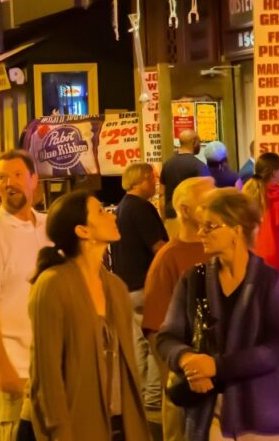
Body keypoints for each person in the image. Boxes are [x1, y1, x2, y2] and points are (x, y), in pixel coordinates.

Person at [156, 189, 279, 441]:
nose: (200, 233)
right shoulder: (192, 280)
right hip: (208, 413)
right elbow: (167, 336)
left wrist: (216, 367)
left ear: (237, 230)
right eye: (201, 226)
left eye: (210, 227)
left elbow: (273, 350)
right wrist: (187, 360)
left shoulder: (271, 282)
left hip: (259, 414)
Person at [27, 189, 150, 440]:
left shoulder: (115, 287)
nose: (112, 216)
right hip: (77, 427)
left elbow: (128, 370)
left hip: (121, 426)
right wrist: (60, 431)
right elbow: (46, 374)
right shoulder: (53, 285)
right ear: (82, 230)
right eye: (101, 212)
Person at [0, 149, 50, 441]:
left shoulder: (49, 226)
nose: (9, 183)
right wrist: (4, 367)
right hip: (19, 368)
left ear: (33, 180)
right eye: (2, 177)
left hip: (55, 366)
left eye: (17, 175)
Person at [142, 177, 216, 441]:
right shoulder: (169, 258)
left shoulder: (222, 250)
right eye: (206, 201)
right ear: (185, 210)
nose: (214, 206)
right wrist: (175, 381)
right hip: (187, 382)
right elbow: (155, 329)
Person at [112, 162, 168, 417]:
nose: (154, 184)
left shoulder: (121, 208)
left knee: (138, 342)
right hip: (147, 285)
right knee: (159, 338)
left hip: (127, 286)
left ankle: (142, 392)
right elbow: (158, 247)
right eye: (151, 179)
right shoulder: (142, 208)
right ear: (140, 180)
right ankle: (155, 396)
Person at [160, 130, 211, 219]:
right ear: (194, 142)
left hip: (171, 217)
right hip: (191, 220)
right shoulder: (199, 166)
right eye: (199, 141)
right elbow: (206, 197)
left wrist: (164, 219)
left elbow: (161, 194)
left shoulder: (167, 165)